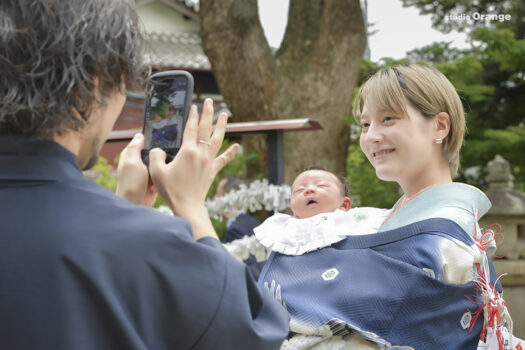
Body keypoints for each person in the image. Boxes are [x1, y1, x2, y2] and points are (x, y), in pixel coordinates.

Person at [0, 1, 289, 349]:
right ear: (94, 82)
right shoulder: (151, 248)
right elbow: (255, 335)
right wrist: (191, 208)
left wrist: (126, 211)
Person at [258, 64, 523, 349]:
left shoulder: (443, 231)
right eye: (365, 124)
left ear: (440, 125)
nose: (371, 135)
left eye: (388, 119)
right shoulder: (386, 218)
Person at [255, 167, 390, 256]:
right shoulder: (285, 232)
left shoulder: (355, 220)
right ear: (294, 212)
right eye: (299, 190)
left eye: (321, 185)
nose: (309, 190)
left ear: (344, 204)